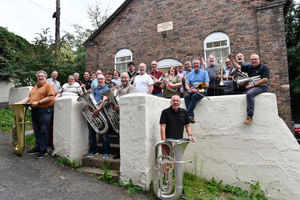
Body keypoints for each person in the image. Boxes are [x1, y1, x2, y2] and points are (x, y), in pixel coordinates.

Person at [159, 95, 195, 199]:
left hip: (178, 143)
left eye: (177, 101)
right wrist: (164, 142)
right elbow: (162, 127)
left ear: (180, 102)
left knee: (177, 166)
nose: (175, 102)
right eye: (174, 100)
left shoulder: (184, 112)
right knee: (166, 164)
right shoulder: (165, 112)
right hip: (168, 142)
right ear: (170, 102)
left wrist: (190, 135)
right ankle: (166, 185)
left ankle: (180, 189)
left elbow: (187, 125)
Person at [17, 70, 55, 158]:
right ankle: (37, 147)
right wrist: (19, 103)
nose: (40, 77)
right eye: (38, 76)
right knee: (36, 130)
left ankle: (43, 149)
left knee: (44, 130)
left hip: (45, 110)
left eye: (42, 76)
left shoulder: (48, 85)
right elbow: (29, 97)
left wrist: (38, 102)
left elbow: (51, 97)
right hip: (34, 111)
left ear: (45, 77)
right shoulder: (35, 87)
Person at [228, 53, 270, 124]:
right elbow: (238, 67)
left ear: (259, 60)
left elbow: (265, 79)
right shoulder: (249, 67)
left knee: (250, 94)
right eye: (252, 59)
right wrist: (231, 59)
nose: (254, 60)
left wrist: (253, 85)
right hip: (253, 86)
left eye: (255, 59)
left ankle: (250, 116)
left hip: (262, 87)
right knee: (244, 95)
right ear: (250, 61)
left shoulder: (264, 68)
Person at [111, 72, 135, 159]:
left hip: (127, 114)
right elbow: (113, 96)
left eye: (125, 78)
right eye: (122, 78)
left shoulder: (131, 87)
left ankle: (126, 153)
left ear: (129, 78)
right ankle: (120, 152)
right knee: (119, 134)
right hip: (118, 114)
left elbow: (131, 100)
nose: (124, 79)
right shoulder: (118, 87)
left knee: (126, 134)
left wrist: (121, 106)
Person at [87, 74, 110, 158]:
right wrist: (90, 107)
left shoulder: (107, 89)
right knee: (91, 134)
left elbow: (106, 101)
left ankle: (107, 152)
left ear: (104, 80)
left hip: (103, 113)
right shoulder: (94, 90)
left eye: (101, 79)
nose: (100, 80)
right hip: (93, 113)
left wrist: (98, 109)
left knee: (104, 134)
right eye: (98, 79)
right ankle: (93, 151)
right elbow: (90, 99)